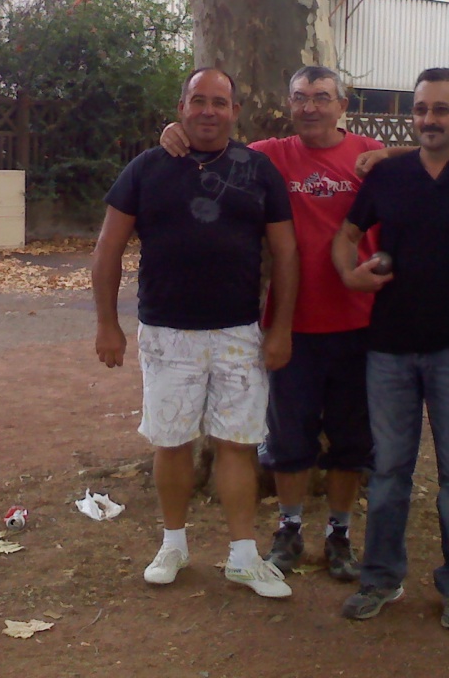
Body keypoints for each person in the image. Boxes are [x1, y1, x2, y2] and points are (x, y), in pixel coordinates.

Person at [160, 65, 382, 581]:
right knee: (288, 440)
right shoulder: (269, 156)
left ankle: (340, 534)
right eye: (300, 97)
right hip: (292, 326)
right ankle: (289, 528)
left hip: (361, 324)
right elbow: (209, 146)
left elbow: (432, 159)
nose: (310, 107)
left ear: (342, 105)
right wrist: (172, 132)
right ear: (289, 104)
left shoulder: (370, 155)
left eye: (322, 97)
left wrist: (395, 154)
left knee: (351, 441)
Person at [91, 67, 300, 599]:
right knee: (171, 441)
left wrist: (280, 329)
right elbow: (108, 248)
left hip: (239, 333)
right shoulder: (146, 168)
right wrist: (107, 323)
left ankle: (243, 557)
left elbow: (286, 253)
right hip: (167, 333)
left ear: (235, 111)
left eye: (220, 102)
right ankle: (173, 545)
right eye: (198, 100)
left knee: (237, 444)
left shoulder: (258, 170)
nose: (209, 111)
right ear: (181, 107)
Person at [331, 68, 449, 633]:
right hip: (388, 349)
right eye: (421, 109)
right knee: (387, 473)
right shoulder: (390, 174)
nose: (429, 119)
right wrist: (349, 274)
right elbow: (347, 236)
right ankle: (381, 578)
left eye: (441, 109)